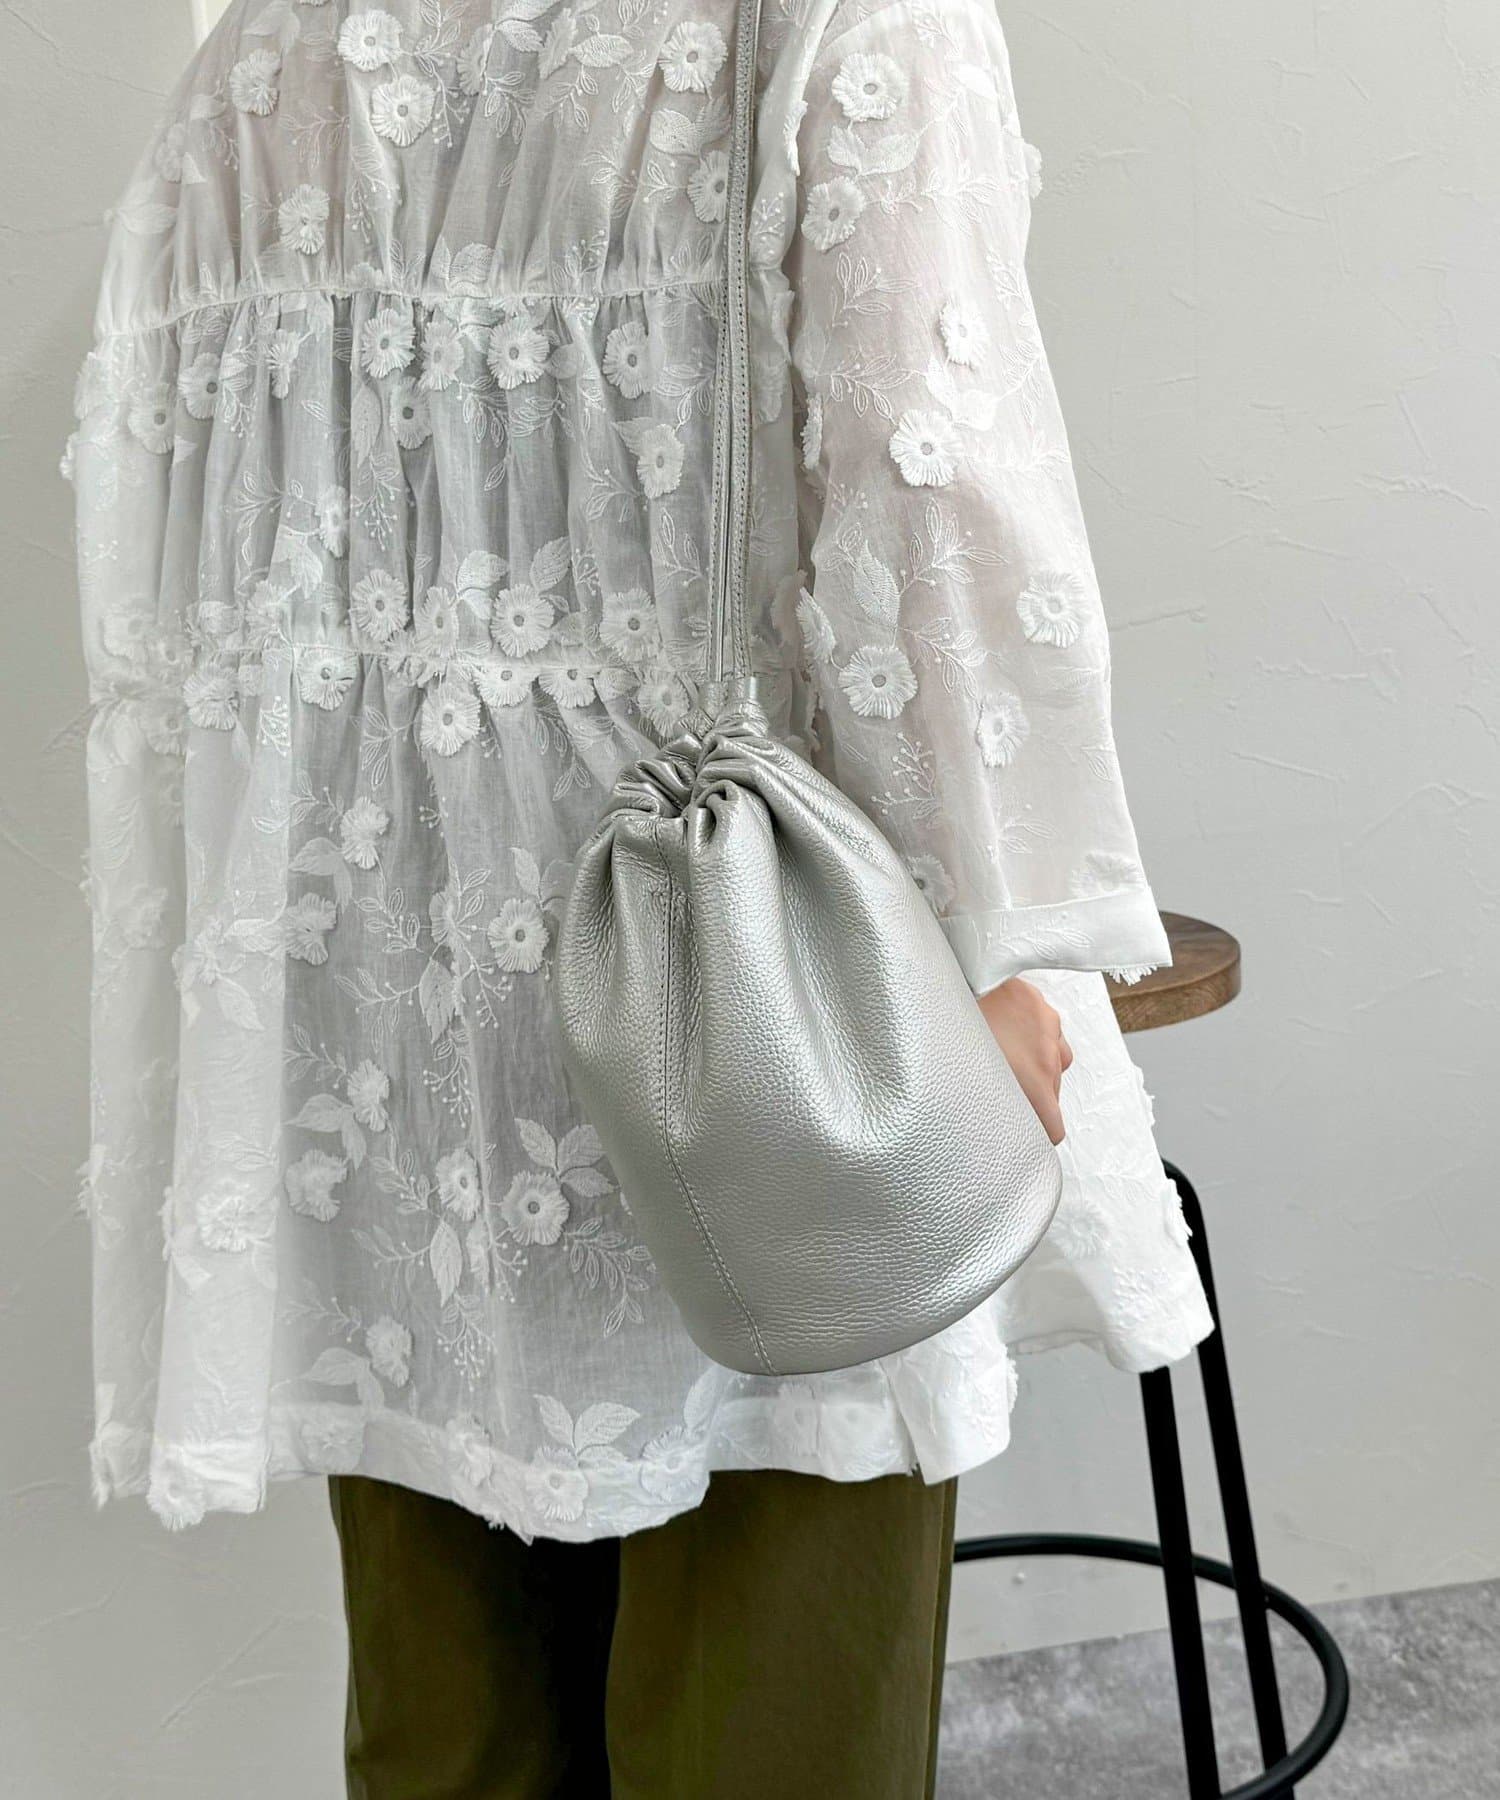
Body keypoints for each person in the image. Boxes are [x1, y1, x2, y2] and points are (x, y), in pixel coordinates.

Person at [70, 0, 1213, 1791]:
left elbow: (205, 557)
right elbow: (930, 478)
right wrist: (997, 947)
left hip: (399, 1039)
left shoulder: (274, 41)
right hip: (767, 1004)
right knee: (774, 1712)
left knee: (451, 1731)